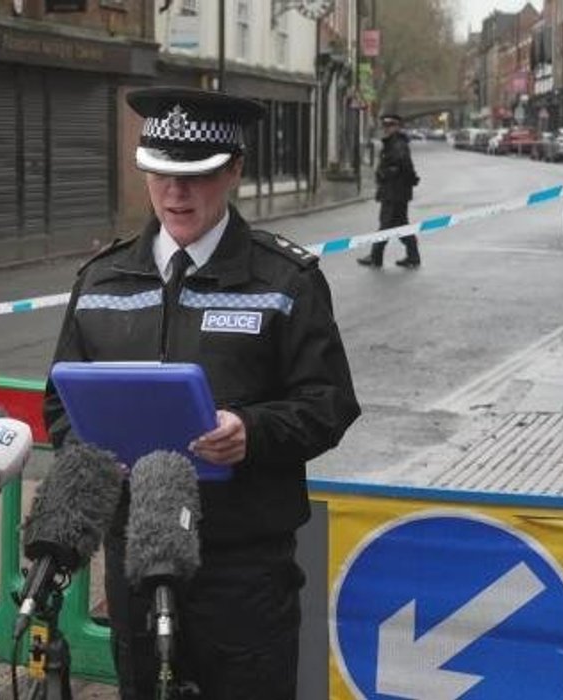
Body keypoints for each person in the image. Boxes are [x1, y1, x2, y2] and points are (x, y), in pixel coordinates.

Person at [42, 87, 360, 700]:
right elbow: (59, 404)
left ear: (234, 170)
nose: (174, 194)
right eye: (160, 174)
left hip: (242, 567)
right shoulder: (101, 280)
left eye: (196, 176)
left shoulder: (285, 280)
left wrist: (251, 432)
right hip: (137, 551)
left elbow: (328, 403)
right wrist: (95, 453)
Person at [358, 113, 421, 269]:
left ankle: (375, 257)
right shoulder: (394, 142)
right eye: (385, 126)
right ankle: (413, 257)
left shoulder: (397, 144)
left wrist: (386, 174)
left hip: (394, 192)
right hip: (395, 192)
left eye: (390, 125)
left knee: (386, 225)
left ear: (397, 126)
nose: (387, 129)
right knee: (401, 225)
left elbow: (403, 166)